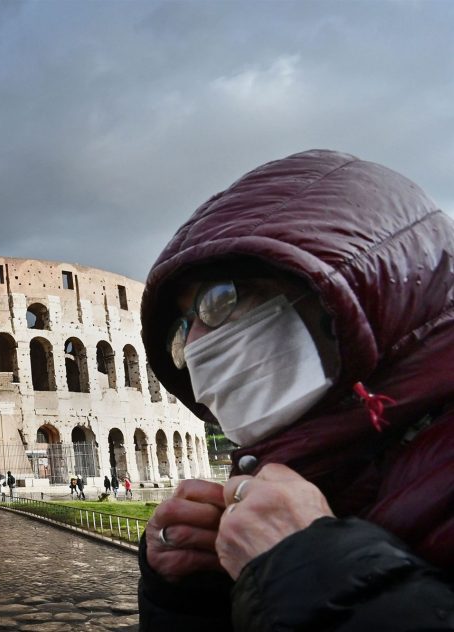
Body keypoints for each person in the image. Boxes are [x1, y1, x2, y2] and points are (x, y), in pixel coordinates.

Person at [136, 150, 454, 631]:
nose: (196, 345)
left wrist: (311, 569)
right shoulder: (317, 470)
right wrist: (195, 596)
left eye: (220, 299)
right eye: (181, 330)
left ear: (349, 289)